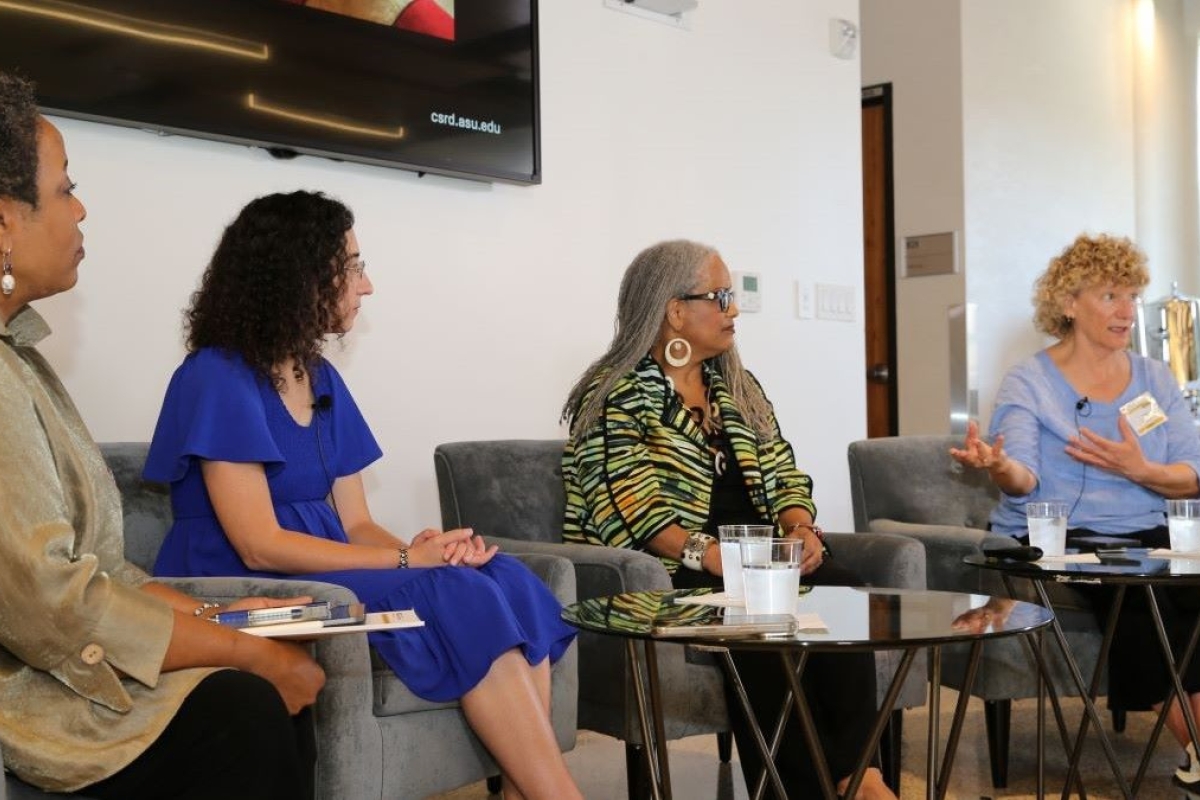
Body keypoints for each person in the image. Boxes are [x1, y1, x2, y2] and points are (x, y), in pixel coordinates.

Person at [143, 190, 581, 800]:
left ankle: (523, 791)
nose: (366, 285)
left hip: (331, 573)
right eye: (351, 267)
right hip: (249, 589)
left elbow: (356, 525)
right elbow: (258, 544)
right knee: (455, 592)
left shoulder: (319, 376)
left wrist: (428, 552)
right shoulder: (216, 375)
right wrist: (406, 562)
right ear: (299, 275)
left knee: (501, 575)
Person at [0, 72, 323, 798]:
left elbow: (105, 573)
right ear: (4, 224)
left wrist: (219, 618)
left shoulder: (22, 363)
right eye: (65, 188)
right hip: (34, 703)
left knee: (269, 686)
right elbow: (54, 603)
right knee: (249, 703)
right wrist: (247, 652)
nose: (81, 208)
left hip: (71, 666)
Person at [561, 239, 896, 800]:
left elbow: (783, 471)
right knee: (756, 630)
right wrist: (719, 559)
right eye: (719, 297)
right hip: (675, 571)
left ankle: (861, 777)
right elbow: (629, 510)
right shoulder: (617, 393)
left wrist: (800, 529)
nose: (733, 309)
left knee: (842, 593)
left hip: (758, 562)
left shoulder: (736, 386)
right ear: (674, 310)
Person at [950, 233, 1200, 791]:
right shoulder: (1031, 381)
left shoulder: (1156, 378)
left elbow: (1193, 472)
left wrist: (1143, 470)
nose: (1127, 311)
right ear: (1068, 302)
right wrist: (998, 465)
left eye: (1132, 296)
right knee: (1140, 600)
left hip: (1153, 533)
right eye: (1111, 295)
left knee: (1185, 588)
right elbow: (1023, 478)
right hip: (1066, 539)